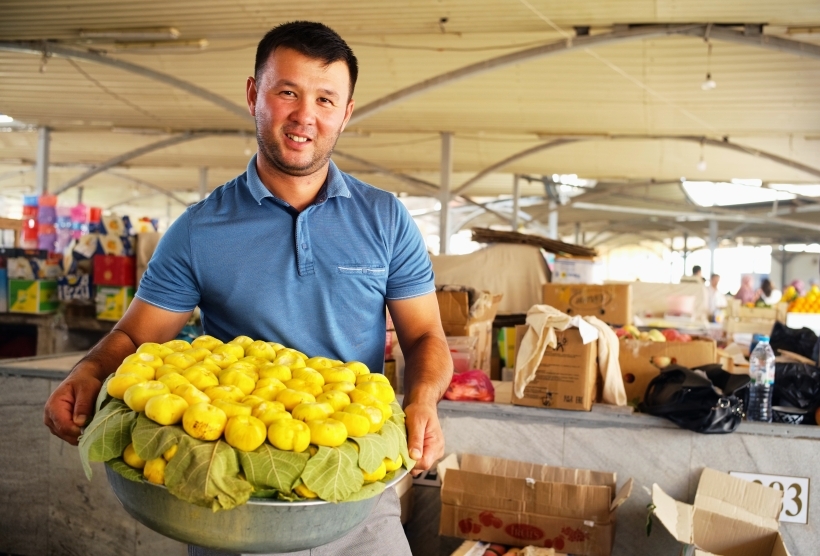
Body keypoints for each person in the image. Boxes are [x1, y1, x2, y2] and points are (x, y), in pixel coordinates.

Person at [43, 21, 453, 556]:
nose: (305, 115)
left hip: (352, 490)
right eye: (288, 92)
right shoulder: (199, 229)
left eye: (326, 99)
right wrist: (88, 372)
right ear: (254, 95)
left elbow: (425, 336)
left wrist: (422, 401)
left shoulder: (386, 219)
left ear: (346, 113)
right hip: (237, 497)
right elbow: (135, 337)